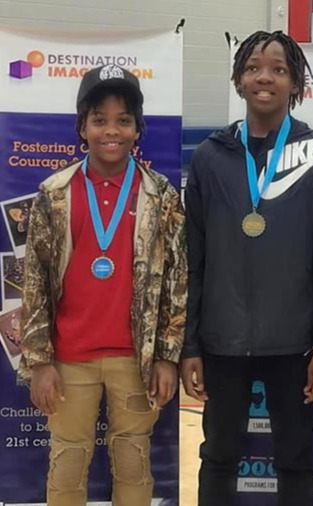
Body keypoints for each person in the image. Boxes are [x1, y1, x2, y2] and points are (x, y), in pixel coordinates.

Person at [180, 30, 313, 506]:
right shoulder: (211, 157)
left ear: (295, 82)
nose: (264, 77)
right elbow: (195, 258)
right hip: (222, 339)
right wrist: (191, 344)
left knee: (294, 455)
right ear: (238, 79)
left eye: (278, 68)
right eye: (253, 67)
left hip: (294, 343)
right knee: (219, 454)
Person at [18, 64, 187, 506]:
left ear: (138, 129)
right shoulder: (54, 194)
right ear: (82, 128)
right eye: (99, 120)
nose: (111, 130)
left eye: (123, 120)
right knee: (68, 462)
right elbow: (32, 283)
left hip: (135, 359)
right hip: (68, 358)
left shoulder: (161, 194)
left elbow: (176, 280)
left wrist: (167, 356)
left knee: (133, 463)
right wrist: (38, 361)